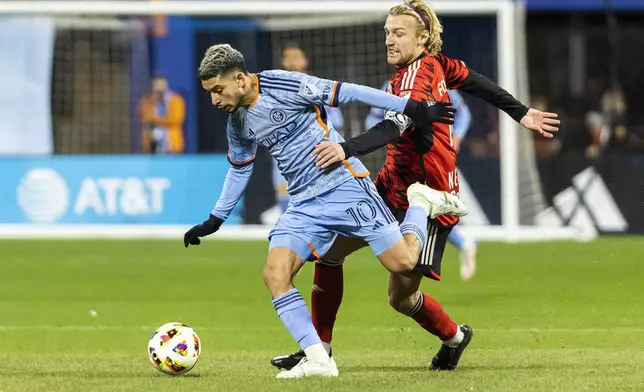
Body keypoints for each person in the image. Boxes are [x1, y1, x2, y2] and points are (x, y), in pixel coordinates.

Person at [271, 0, 559, 373]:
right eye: (387, 32)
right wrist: (521, 112)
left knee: (400, 298)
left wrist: (345, 148)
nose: (390, 40)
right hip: (392, 188)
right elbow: (475, 81)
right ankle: (319, 350)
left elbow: (393, 126)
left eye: (399, 33)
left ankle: (455, 337)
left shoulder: (417, 78)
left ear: (422, 37)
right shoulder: (435, 65)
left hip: (432, 197)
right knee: (328, 253)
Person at [183, 43, 465, 379]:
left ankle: (420, 201)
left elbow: (348, 92)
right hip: (302, 204)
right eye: (210, 93)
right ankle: (319, 359)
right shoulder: (237, 121)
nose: (215, 100)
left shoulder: (284, 85)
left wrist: (411, 107)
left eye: (218, 90)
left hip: (344, 187)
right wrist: (216, 218)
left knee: (403, 264)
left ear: (241, 79)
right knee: (275, 273)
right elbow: (240, 167)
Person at [366, 83, 477, 280]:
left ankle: (417, 256)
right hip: (402, 163)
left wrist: (456, 138)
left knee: (422, 207)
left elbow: (464, 114)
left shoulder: (441, 84)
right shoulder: (390, 86)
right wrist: (383, 136)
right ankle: (462, 242)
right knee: (419, 209)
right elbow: (372, 119)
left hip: (433, 159)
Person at [272, 42, 344, 214]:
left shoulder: (319, 87)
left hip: (316, 153)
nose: (293, 62)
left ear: (305, 60)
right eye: (288, 58)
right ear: (283, 63)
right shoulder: (274, 90)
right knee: (285, 197)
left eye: (296, 57)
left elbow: (337, 122)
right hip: (286, 153)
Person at [139, 75, 186, 154]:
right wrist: (153, 101)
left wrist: (156, 119)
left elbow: (176, 119)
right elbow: (145, 118)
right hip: (152, 146)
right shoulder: (148, 101)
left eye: (162, 87)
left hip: (171, 144)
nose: (160, 90)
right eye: (157, 87)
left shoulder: (175, 100)